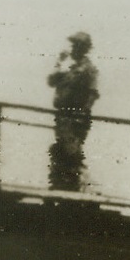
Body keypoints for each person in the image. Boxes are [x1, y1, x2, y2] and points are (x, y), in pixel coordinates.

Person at [47, 31, 99, 191]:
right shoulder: (71, 69)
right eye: (73, 46)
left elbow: (92, 94)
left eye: (76, 46)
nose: (73, 49)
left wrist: (81, 114)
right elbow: (51, 81)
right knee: (61, 151)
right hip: (63, 116)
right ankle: (63, 186)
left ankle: (84, 187)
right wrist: (59, 62)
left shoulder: (88, 69)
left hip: (76, 117)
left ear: (84, 49)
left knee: (71, 153)